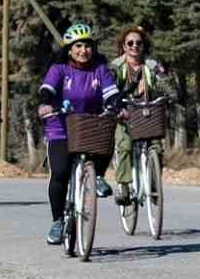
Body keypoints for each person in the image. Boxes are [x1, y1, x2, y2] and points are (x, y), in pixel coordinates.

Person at [37, 23, 120, 245]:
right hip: (60, 127)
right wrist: (45, 104)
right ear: (69, 48)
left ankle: (98, 176)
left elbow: (111, 91)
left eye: (88, 46)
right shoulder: (59, 69)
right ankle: (57, 221)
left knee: (107, 136)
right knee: (60, 173)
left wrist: (115, 105)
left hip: (89, 125)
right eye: (78, 46)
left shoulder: (99, 69)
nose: (84, 51)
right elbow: (48, 88)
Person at [108, 27, 167, 207]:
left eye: (138, 43)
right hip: (124, 114)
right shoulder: (115, 67)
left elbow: (165, 82)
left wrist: (169, 92)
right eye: (130, 43)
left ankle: (154, 185)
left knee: (156, 148)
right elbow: (108, 88)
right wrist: (116, 106)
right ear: (124, 46)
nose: (134, 46)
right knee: (124, 145)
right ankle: (124, 186)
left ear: (143, 45)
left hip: (148, 113)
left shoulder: (152, 65)